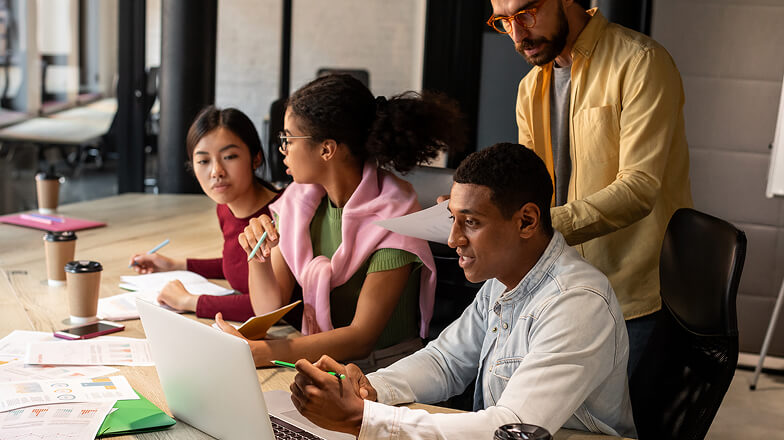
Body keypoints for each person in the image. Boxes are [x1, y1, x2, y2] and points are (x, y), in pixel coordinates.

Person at [287, 143, 637, 439]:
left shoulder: (576, 302)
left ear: (526, 221)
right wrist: (369, 388)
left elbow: (510, 429)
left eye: (471, 222)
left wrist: (363, 417)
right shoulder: (500, 282)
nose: (454, 239)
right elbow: (445, 362)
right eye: (452, 219)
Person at [488, 0, 693, 374]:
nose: (517, 35)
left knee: (611, 429)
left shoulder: (640, 62)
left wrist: (537, 228)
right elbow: (527, 188)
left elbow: (639, 188)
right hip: (559, 288)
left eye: (526, 13)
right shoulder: (530, 87)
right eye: (504, 21)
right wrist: (484, 208)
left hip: (630, 296)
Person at [215, 74, 467, 370]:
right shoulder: (298, 202)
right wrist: (258, 259)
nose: (282, 149)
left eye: (288, 139)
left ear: (326, 149)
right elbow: (270, 309)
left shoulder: (395, 215)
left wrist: (261, 352)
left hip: (386, 370)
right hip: (320, 361)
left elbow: (362, 337)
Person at [128, 106, 280, 322]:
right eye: (203, 161)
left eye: (229, 156)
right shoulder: (225, 208)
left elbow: (272, 307)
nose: (216, 171)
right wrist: (175, 264)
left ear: (256, 158)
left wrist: (188, 301)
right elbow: (236, 262)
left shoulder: (283, 213)